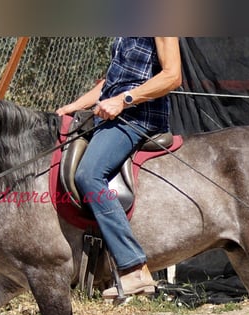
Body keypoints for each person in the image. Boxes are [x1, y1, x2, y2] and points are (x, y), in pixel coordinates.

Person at [56, 37, 182, 299]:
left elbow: (172, 76)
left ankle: (134, 268)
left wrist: (124, 100)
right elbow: (108, 85)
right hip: (115, 114)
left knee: (89, 175)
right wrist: (73, 107)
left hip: (138, 117)